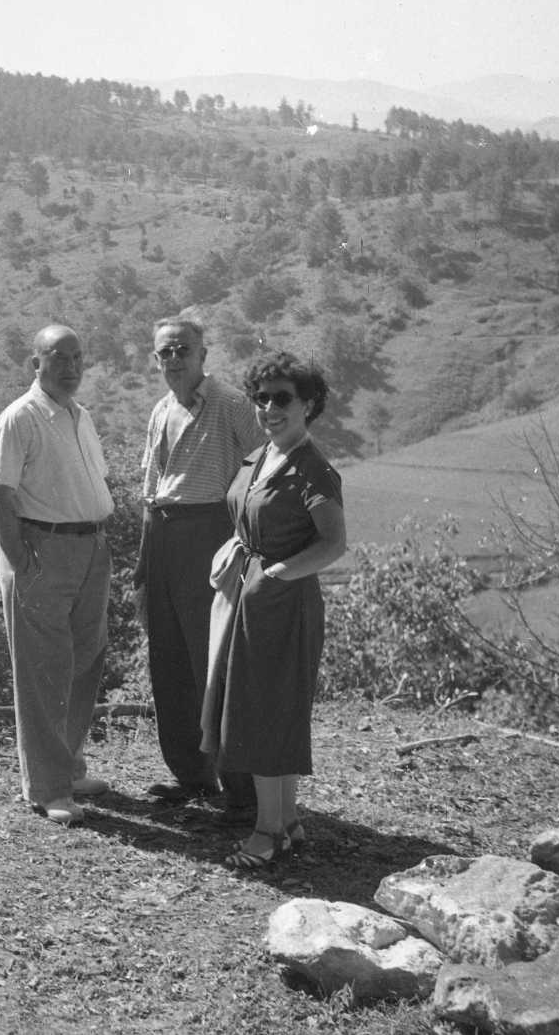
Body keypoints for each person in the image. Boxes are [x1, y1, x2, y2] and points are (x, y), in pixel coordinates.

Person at [200, 351, 347, 870]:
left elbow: (334, 544)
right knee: (267, 712)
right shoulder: (259, 458)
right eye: (261, 398)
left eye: (282, 398)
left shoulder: (313, 470)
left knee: (265, 714)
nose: (268, 408)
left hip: (284, 604)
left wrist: (281, 574)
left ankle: (265, 832)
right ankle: (286, 823)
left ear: (308, 403)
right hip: (250, 597)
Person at [0, 324, 114, 825]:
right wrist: (22, 563)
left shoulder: (79, 416)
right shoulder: (20, 418)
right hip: (43, 549)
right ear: (34, 363)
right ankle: (48, 788)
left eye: (77, 356)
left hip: (89, 548)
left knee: (84, 661)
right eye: (57, 357)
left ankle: (70, 766)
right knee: (43, 671)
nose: (70, 366)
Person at [134, 317, 263, 820]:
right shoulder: (161, 410)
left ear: (204, 354)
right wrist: (143, 571)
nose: (173, 360)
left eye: (182, 350)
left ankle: (241, 788)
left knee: (215, 659)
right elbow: (150, 493)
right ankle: (191, 775)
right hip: (164, 536)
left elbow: (264, 464)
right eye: (164, 352)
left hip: (211, 535)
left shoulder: (230, 404)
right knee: (169, 659)